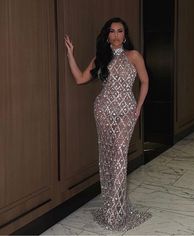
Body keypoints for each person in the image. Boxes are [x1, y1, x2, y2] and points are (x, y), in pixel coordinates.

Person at [65, 17, 151, 232]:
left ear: (125, 35)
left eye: (120, 31)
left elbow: (145, 81)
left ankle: (116, 210)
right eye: (112, 31)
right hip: (103, 111)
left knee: (120, 157)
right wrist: (70, 54)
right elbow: (80, 78)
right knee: (108, 157)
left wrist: (138, 107)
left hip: (126, 112)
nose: (115, 35)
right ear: (107, 35)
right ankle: (111, 207)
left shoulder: (134, 56)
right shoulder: (100, 58)